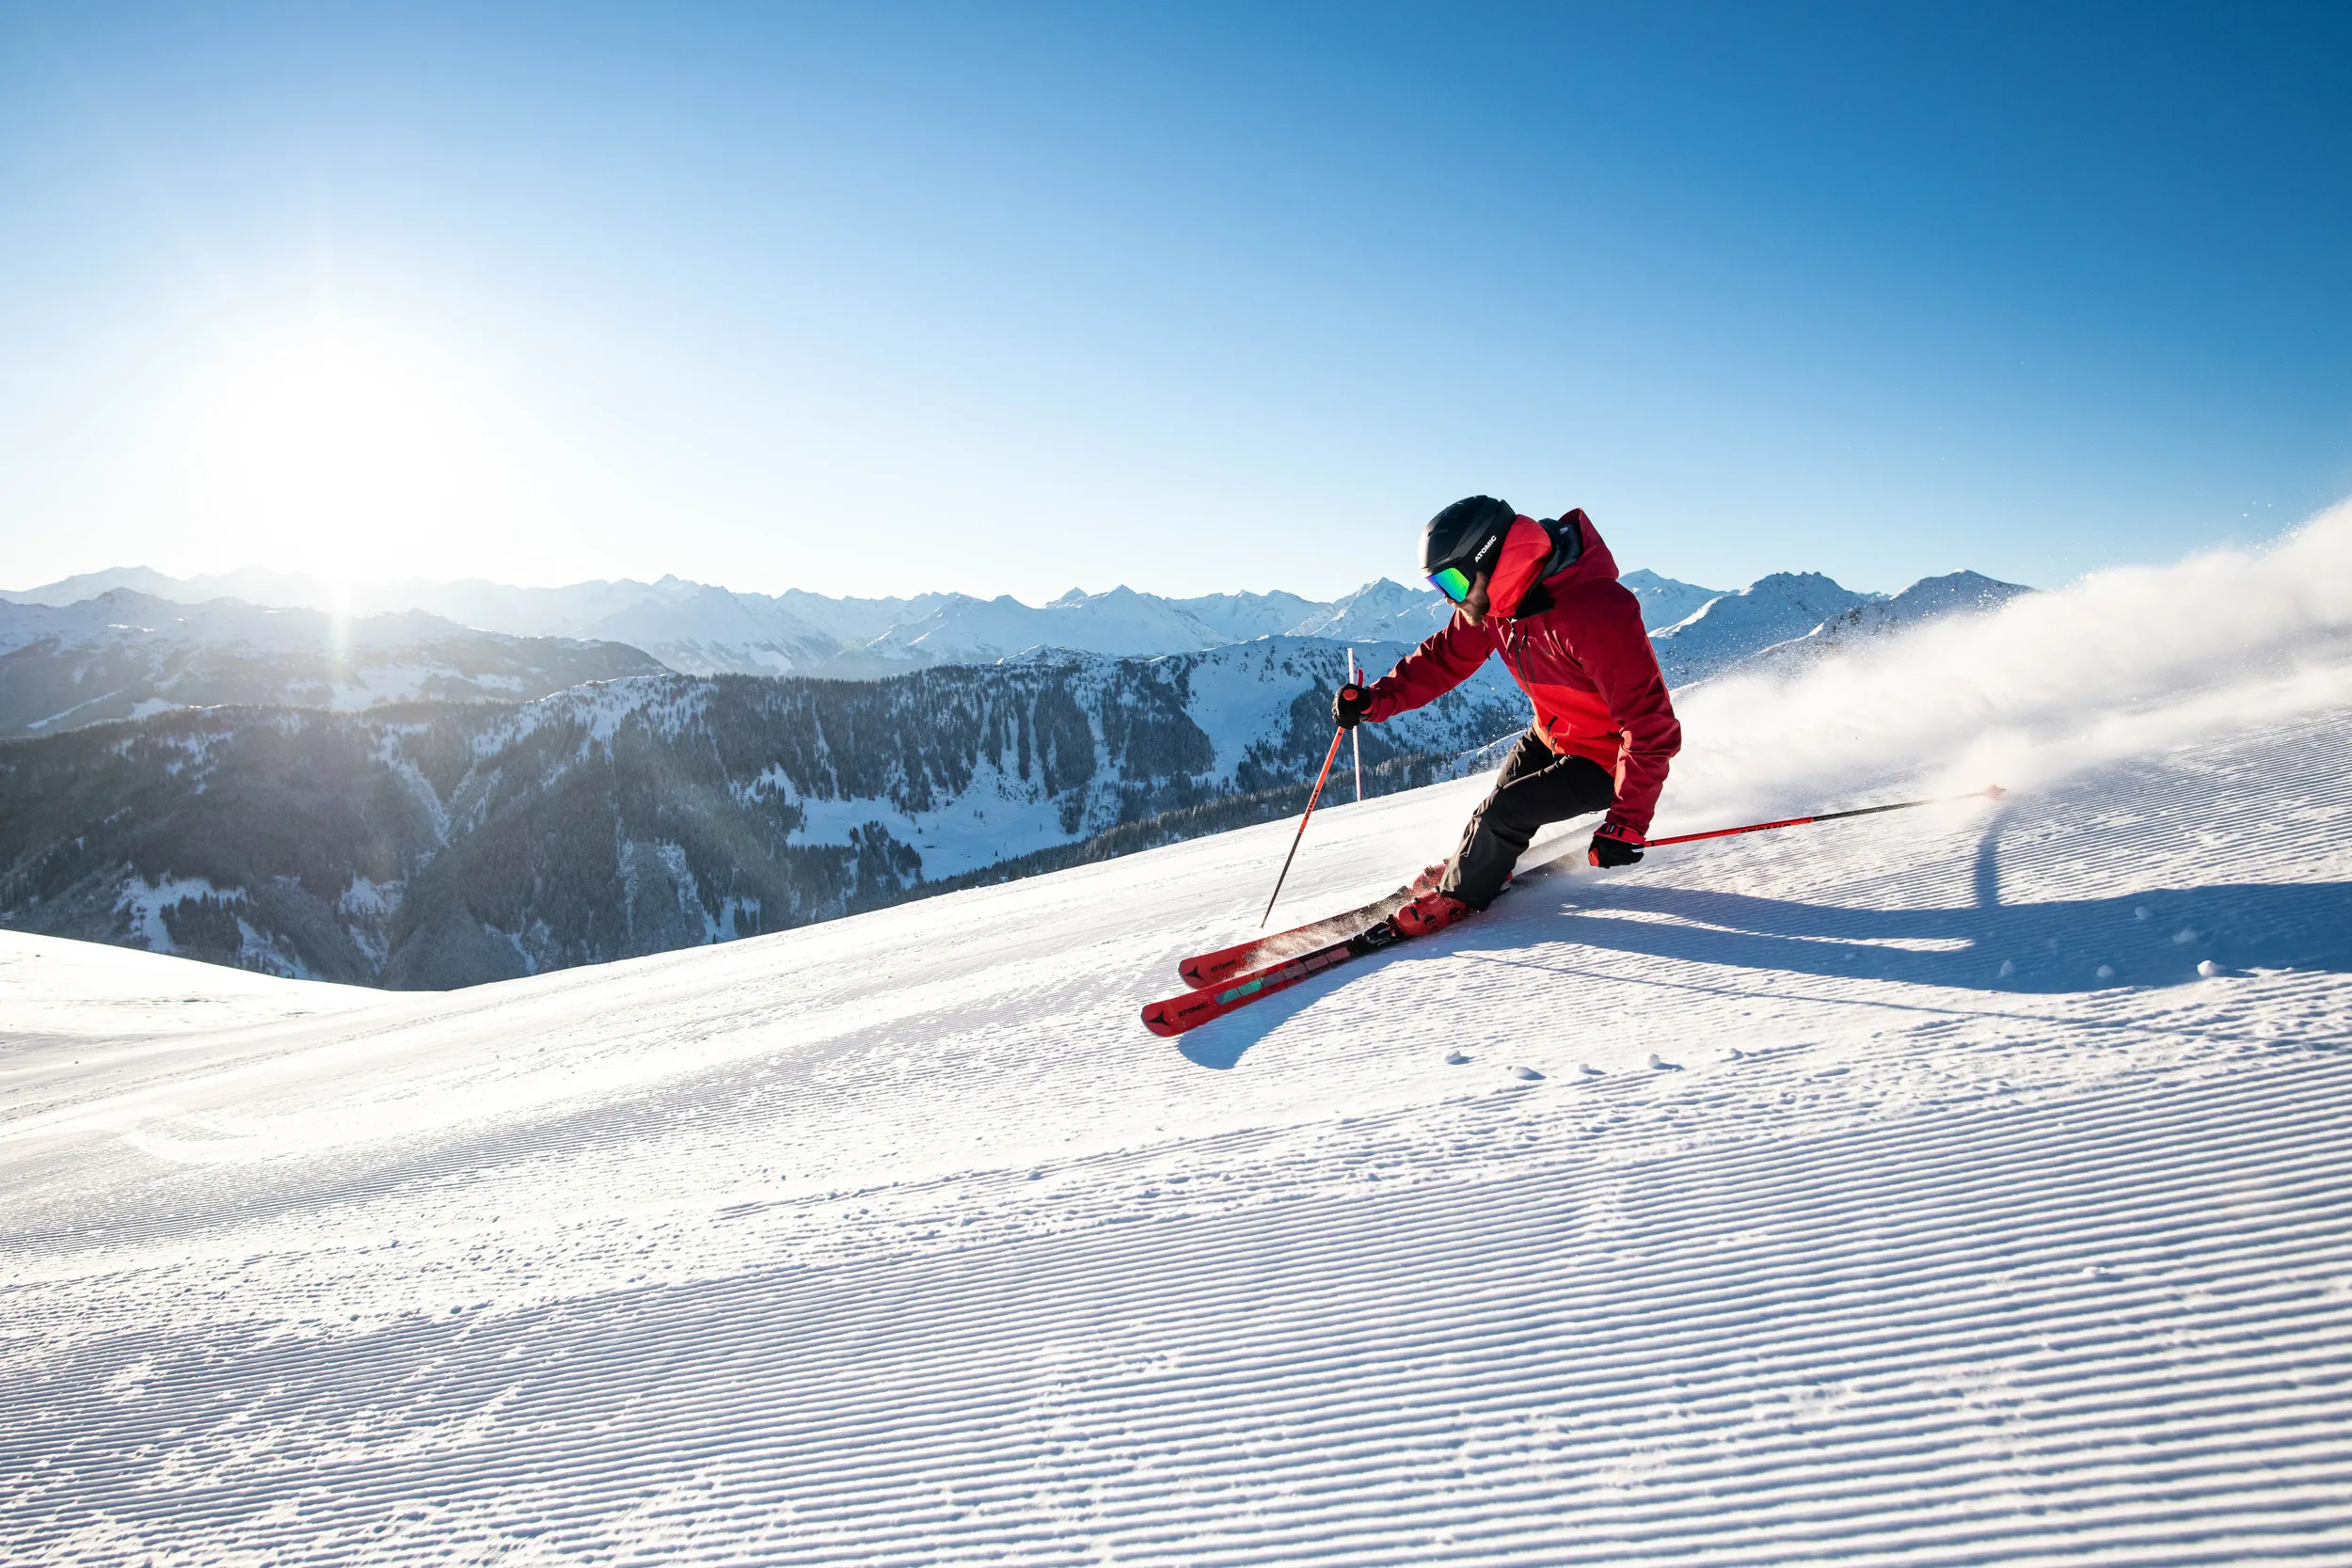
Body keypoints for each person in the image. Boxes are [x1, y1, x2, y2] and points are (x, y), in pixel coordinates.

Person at [1332, 495, 1681, 937]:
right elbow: (1444, 659)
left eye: (1454, 585)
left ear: (1494, 561)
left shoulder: (1595, 611)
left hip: (1605, 759)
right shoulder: (1496, 603)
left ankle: (1458, 899)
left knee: (1504, 812)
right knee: (1494, 807)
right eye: (1440, 587)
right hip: (1553, 733)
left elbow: (1651, 723)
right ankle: (1476, 864)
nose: (1450, 600)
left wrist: (1627, 822)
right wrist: (1375, 700)